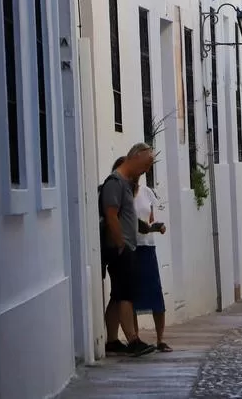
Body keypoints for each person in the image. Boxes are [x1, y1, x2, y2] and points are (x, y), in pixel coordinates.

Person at [100, 143, 157, 357]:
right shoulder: (114, 183)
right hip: (119, 248)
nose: (147, 170)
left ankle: (112, 340)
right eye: (147, 164)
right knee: (125, 294)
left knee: (117, 295)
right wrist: (121, 244)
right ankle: (133, 340)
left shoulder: (125, 183)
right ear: (135, 157)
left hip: (125, 246)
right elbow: (111, 214)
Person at [132, 179, 172, 352]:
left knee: (155, 291)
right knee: (131, 294)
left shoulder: (146, 191)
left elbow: (151, 218)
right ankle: (135, 337)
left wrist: (157, 227)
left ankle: (160, 339)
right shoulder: (123, 193)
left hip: (147, 246)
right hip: (130, 247)